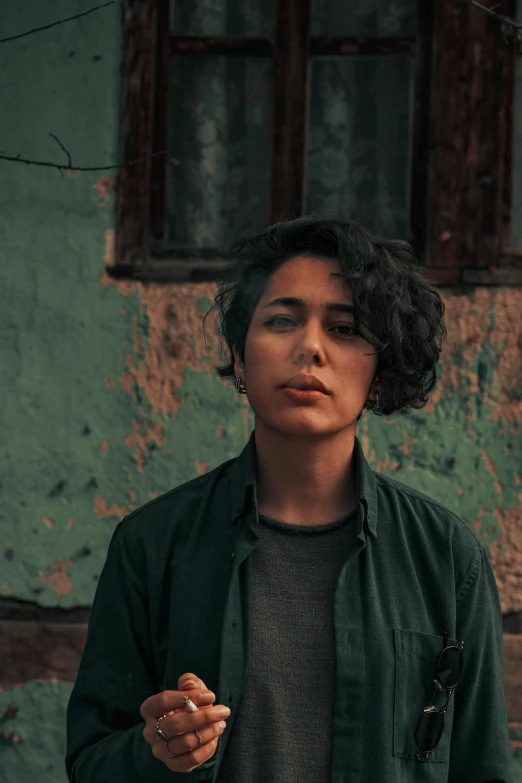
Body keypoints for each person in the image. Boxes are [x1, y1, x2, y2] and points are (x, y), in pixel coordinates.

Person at [65, 216, 512, 782]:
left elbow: (482, 768)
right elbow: (89, 763)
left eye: (345, 328)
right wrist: (157, 748)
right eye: (282, 320)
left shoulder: (446, 556)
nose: (310, 348)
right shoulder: (153, 543)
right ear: (241, 354)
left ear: (380, 372)